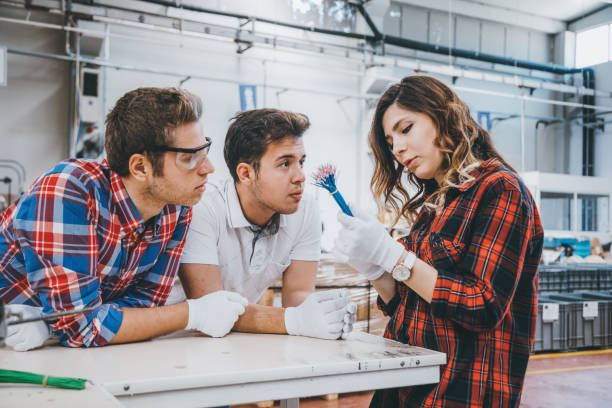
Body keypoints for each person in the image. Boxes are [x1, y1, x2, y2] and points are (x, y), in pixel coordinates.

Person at [334, 76, 543, 407]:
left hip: (460, 390)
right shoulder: (434, 205)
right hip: (405, 382)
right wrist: (373, 265)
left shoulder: (501, 190)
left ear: (444, 116)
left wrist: (394, 256)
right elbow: (405, 305)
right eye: (390, 141)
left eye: (406, 128)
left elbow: (483, 306)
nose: (398, 148)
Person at [0, 87, 248, 350]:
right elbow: (82, 330)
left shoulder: (177, 207)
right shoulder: (69, 192)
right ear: (140, 167)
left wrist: (62, 322)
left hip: (51, 345)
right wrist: (192, 314)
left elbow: (145, 305)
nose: (208, 168)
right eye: (189, 158)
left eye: (204, 150)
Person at [167, 108, 355, 340]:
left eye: (301, 162)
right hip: (175, 341)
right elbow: (212, 308)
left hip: (235, 340)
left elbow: (298, 295)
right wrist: (296, 321)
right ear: (245, 174)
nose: (300, 176)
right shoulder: (203, 209)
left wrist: (326, 318)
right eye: (285, 164)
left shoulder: (305, 210)